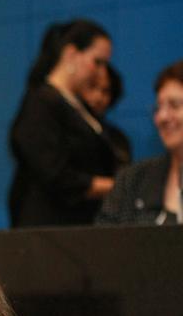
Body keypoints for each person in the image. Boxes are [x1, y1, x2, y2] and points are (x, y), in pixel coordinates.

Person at [9, 19, 119, 226]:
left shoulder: (76, 105)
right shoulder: (41, 102)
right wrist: (119, 186)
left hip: (79, 224)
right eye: (97, 62)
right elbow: (55, 174)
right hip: (50, 228)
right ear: (71, 54)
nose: (103, 73)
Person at [97, 59, 183, 225]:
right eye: (158, 107)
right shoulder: (132, 179)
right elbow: (103, 237)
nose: (162, 117)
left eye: (174, 105)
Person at [81, 63, 132, 168]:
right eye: (92, 87)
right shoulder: (63, 131)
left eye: (105, 91)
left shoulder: (118, 139)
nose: (98, 97)